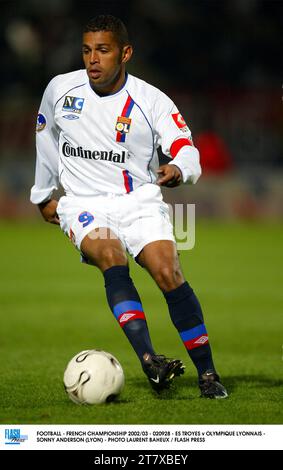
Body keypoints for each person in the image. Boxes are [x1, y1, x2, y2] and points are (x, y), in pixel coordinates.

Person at [30, 14, 227, 399]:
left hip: (138, 202)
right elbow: (46, 139)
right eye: (87, 50)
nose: (92, 60)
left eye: (103, 51)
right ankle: (150, 359)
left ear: (125, 53)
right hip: (84, 203)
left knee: (167, 271)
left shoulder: (151, 100)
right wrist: (43, 193)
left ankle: (207, 374)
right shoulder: (60, 90)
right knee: (110, 254)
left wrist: (178, 167)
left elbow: (186, 148)